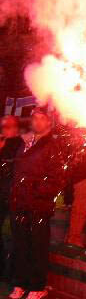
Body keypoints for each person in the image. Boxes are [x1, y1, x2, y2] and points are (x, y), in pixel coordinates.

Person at [8, 107, 65, 299]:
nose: (38, 122)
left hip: (38, 206)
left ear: (49, 122)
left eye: (42, 118)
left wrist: (35, 190)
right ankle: (20, 283)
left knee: (37, 247)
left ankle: (37, 287)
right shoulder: (25, 143)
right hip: (20, 204)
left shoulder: (53, 145)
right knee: (20, 245)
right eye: (35, 118)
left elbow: (57, 178)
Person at [0, 116, 23, 280]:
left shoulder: (18, 144)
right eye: (3, 126)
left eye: (8, 126)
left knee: (16, 235)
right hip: (2, 194)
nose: (5, 129)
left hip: (12, 194)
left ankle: (13, 273)